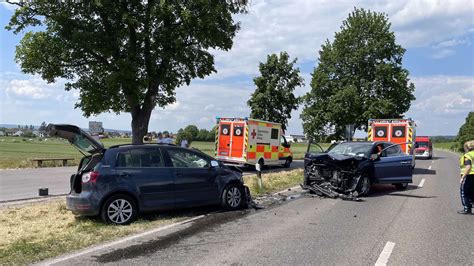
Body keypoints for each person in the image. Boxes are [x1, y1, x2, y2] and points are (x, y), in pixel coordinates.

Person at [458, 140, 474, 214]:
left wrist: (463, 177)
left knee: (464, 192)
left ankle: (467, 208)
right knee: (472, 191)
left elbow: (468, 166)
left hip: (469, 175)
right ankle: (471, 204)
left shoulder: (467, 155)